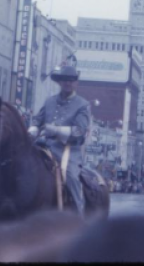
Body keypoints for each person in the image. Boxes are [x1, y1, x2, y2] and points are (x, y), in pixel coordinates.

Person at [28, 65, 91, 214]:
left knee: (70, 176)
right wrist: (31, 132)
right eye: (64, 80)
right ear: (59, 82)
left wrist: (56, 130)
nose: (67, 83)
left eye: (71, 80)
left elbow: (79, 132)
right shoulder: (49, 101)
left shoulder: (83, 105)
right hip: (45, 146)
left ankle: (78, 214)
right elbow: (37, 121)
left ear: (76, 83)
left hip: (68, 150)